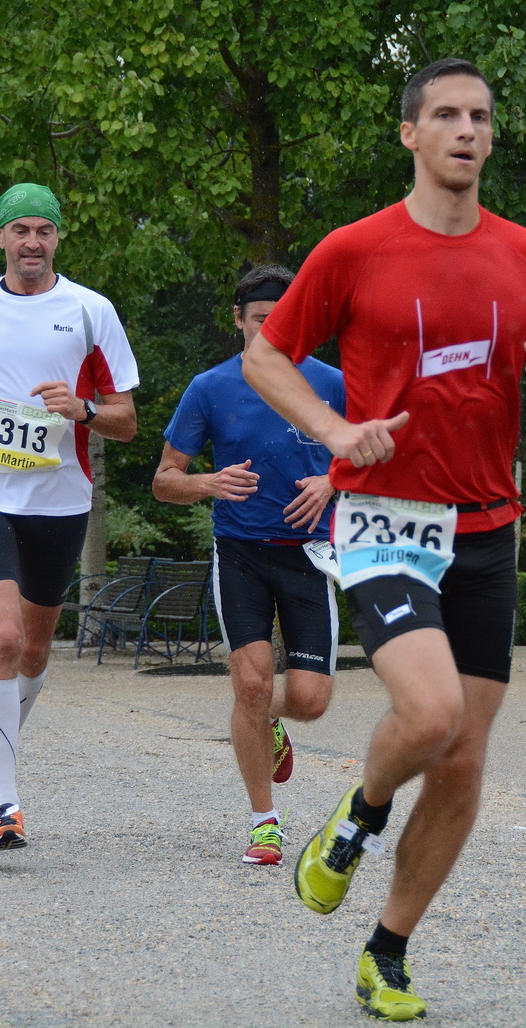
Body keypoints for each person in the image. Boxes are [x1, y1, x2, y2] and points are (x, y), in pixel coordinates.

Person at [242, 58, 526, 1022]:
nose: (466, 130)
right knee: (430, 715)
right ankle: (356, 816)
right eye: (445, 114)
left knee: (467, 761)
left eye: (479, 116)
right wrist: (335, 431)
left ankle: (385, 950)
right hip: (386, 519)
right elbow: (264, 355)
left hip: (488, 528)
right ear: (411, 134)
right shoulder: (355, 249)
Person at [0, 182, 139, 851]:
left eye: (44, 230)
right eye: (21, 231)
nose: (33, 243)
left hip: (60, 498)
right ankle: (4, 802)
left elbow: (126, 420)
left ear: (58, 239)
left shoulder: (90, 311)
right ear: (1, 238)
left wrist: (81, 410)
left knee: (39, 649)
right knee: (7, 636)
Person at [153, 264, 346, 866]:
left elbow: (375, 457)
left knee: (310, 699)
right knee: (253, 681)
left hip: (311, 555)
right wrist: (209, 481)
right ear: (239, 321)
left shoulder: (334, 384)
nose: (270, 331)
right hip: (239, 552)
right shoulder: (209, 387)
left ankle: (266, 720)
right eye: (260, 320)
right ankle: (265, 822)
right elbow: (163, 481)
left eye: (283, 321)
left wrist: (332, 480)